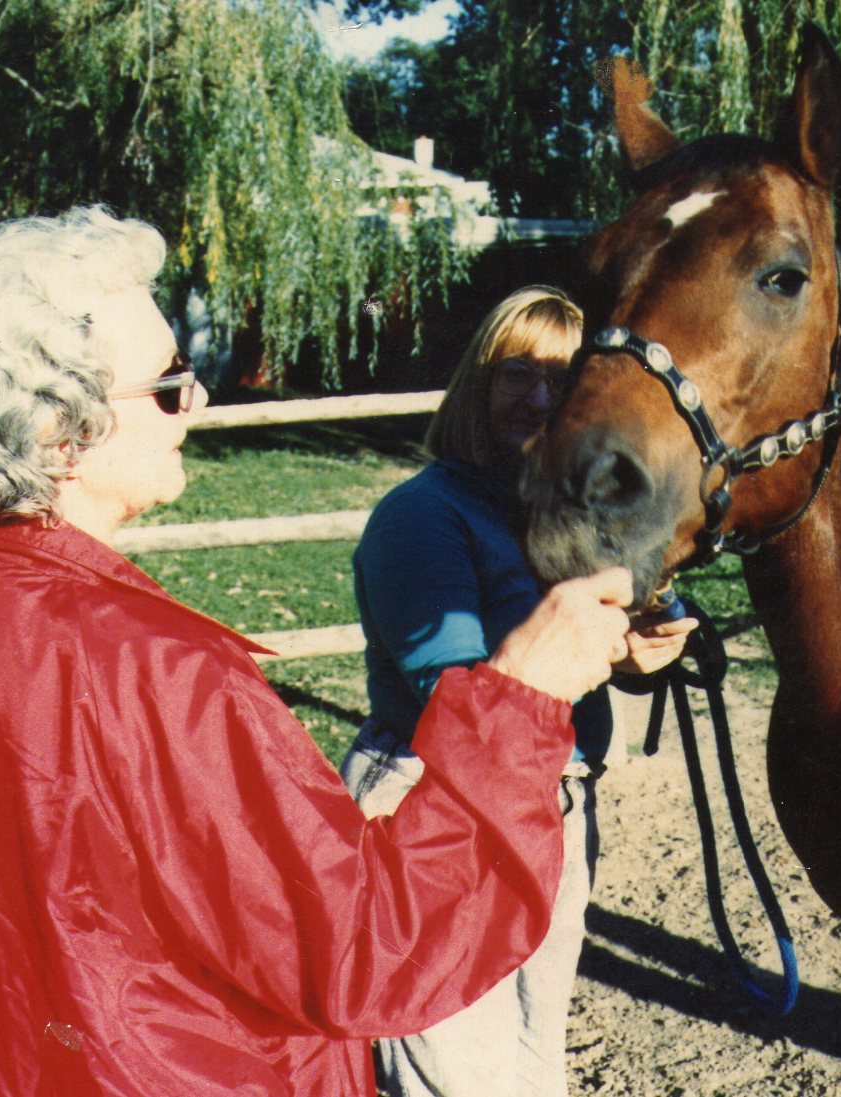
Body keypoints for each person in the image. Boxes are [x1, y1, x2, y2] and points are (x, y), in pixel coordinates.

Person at [0, 207, 637, 1096]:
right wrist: (526, 696)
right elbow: (371, 947)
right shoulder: (162, 671)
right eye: (165, 384)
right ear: (58, 430)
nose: (196, 402)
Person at [341, 286, 696, 1096]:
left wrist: (635, 652)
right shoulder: (420, 516)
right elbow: (452, 695)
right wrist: (600, 651)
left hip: (552, 800)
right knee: (452, 1063)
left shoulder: (558, 516)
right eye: (515, 373)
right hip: (436, 804)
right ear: (477, 383)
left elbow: (565, 668)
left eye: (561, 378)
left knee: (535, 1057)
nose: (539, 395)